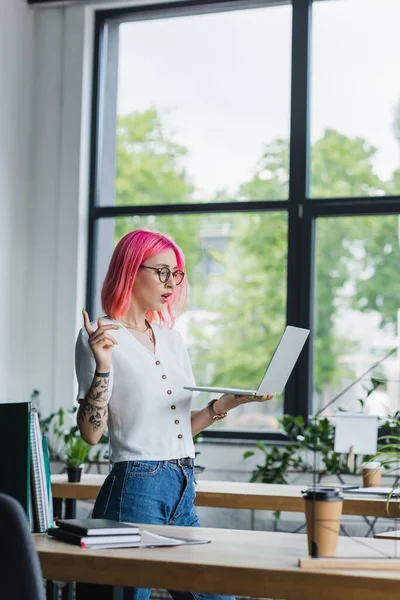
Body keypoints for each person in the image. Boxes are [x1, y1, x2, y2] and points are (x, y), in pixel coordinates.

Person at [75, 229, 274, 600]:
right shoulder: (101, 336)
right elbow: (90, 433)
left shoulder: (172, 339)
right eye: (161, 271)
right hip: (136, 485)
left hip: (182, 483)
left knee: (215, 593)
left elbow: (179, 426)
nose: (171, 282)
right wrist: (103, 364)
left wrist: (224, 405)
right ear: (131, 271)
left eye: (176, 273)